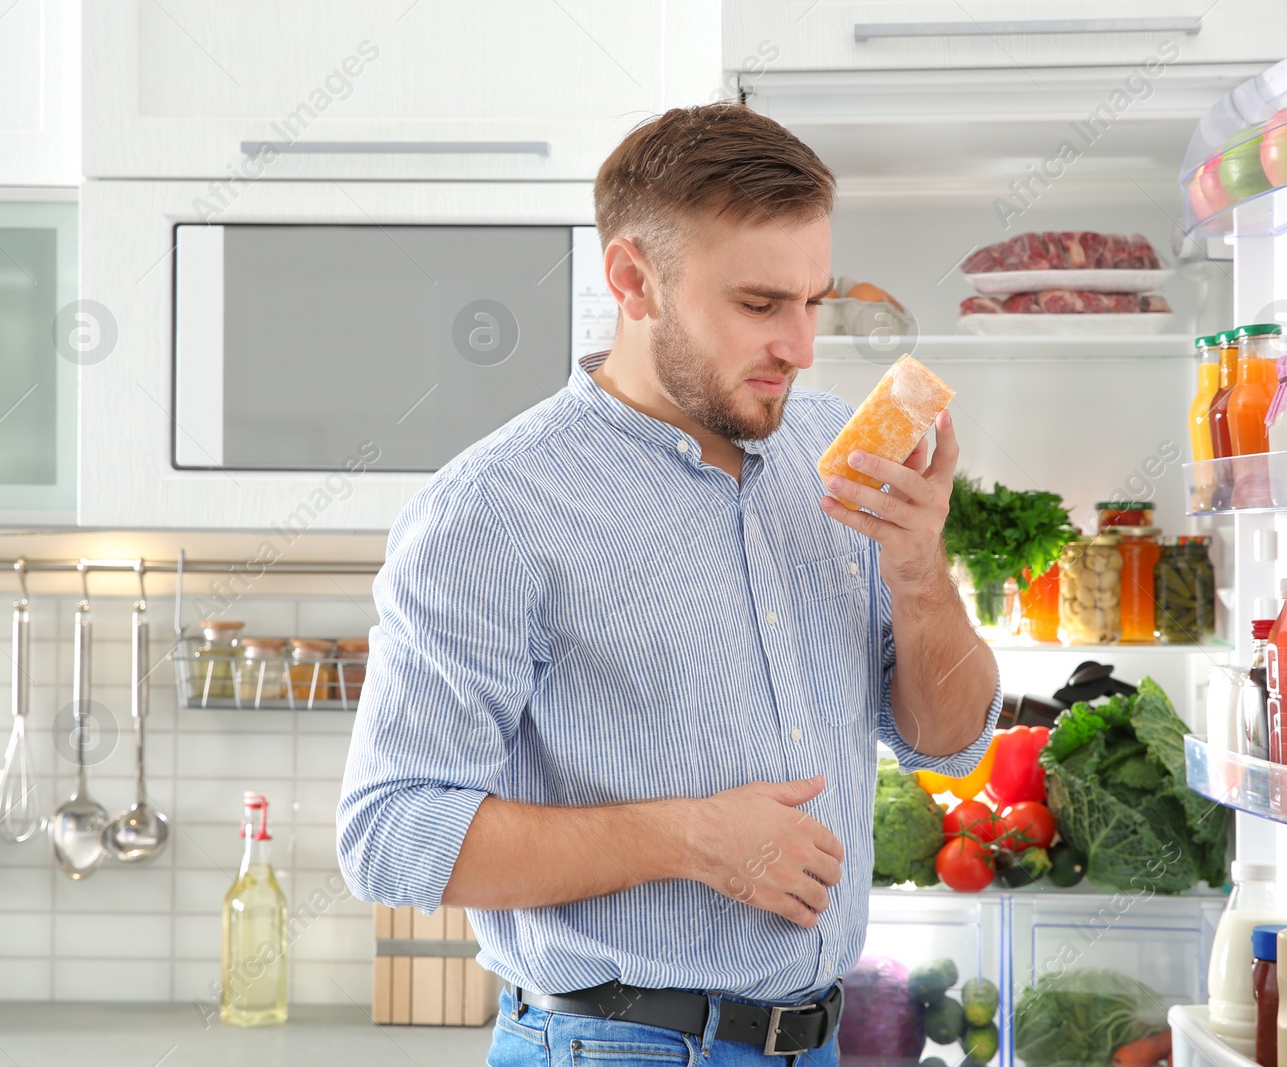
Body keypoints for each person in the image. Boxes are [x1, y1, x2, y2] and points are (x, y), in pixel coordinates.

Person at [337, 103, 1001, 1066]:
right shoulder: (492, 510)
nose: (802, 346)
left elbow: (952, 740)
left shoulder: (833, 453)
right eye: (760, 304)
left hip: (816, 1040)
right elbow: (390, 835)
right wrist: (692, 839)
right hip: (613, 1046)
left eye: (813, 302)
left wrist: (917, 567)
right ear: (633, 280)